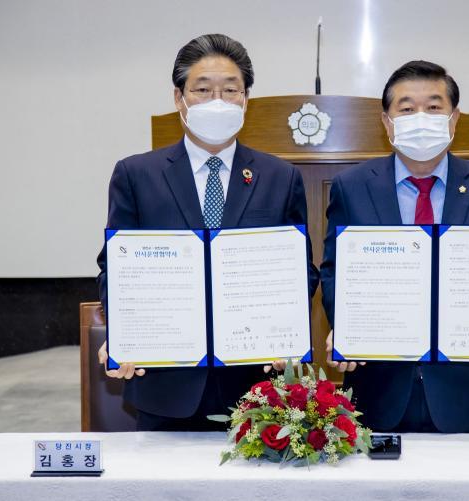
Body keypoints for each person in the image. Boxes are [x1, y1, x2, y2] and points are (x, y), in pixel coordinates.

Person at [95, 34, 318, 431]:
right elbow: (115, 268)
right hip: (165, 386)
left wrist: (288, 331)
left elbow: (301, 270)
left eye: (230, 90)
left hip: (256, 386)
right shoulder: (136, 174)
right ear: (178, 98)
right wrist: (125, 334)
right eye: (202, 90)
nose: (218, 101)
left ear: (246, 100)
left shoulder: (280, 177)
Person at [320, 60, 469, 433]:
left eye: (434, 107)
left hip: (462, 395)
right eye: (407, 109)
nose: (421, 118)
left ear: (454, 119)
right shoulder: (352, 186)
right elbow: (333, 271)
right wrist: (346, 326)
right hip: (378, 390)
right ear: (387, 122)